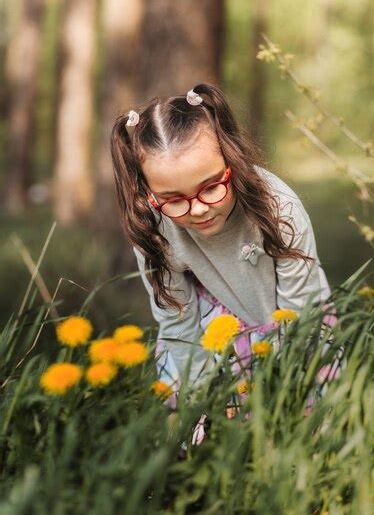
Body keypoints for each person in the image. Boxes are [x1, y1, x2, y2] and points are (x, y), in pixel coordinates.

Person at [110, 83, 339, 427]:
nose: (199, 210)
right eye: (173, 199)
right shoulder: (154, 229)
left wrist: (279, 389)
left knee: (301, 423)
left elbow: (299, 313)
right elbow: (177, 321)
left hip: (294, 322)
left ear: (232, 156)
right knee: (198, 427)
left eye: (212, 186)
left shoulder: (280, 209)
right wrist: (202, 398)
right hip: (214, 328)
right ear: (148, 192)